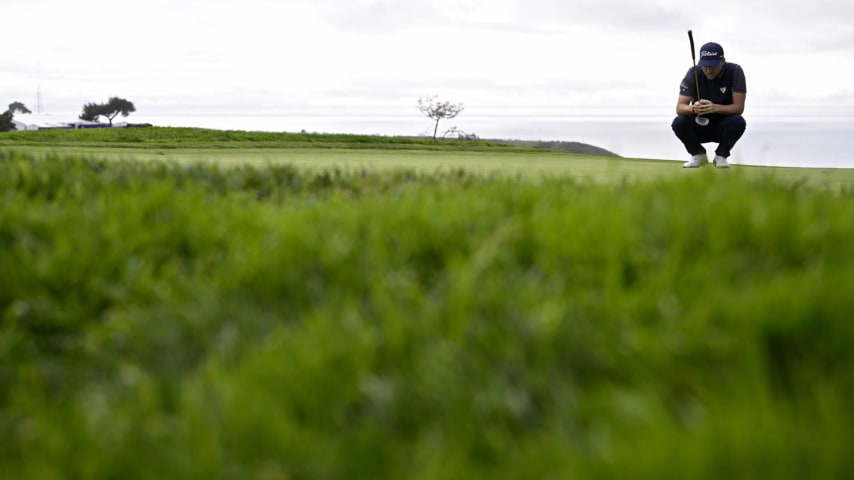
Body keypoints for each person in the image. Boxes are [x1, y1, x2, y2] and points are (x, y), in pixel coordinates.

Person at [672, 41, 746, 168]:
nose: (708, 70)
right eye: (705, 66)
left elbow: (739, 108)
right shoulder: (694, 72)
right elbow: (680, 108)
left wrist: (715, 108)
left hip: (723, 126)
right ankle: (698, 154)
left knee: (738, 121)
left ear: (722, 61)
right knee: (679, 122)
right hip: (699, 124)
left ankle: (721, 156)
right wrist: (693, 108)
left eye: (712, 66)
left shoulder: (735, 71)